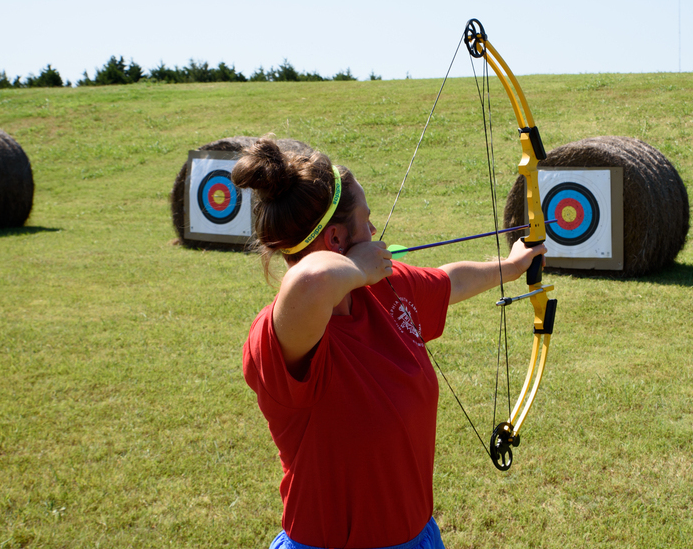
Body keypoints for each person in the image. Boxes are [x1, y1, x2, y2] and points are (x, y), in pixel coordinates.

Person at [231, 137, 544, 549]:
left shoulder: (384, 290)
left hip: (416, 535)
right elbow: (309, 281)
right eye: (367, 218)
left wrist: (513, 265)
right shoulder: (283, 333)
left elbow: (450, 281)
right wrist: (359, 268)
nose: (375, 230)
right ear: (338, 239)